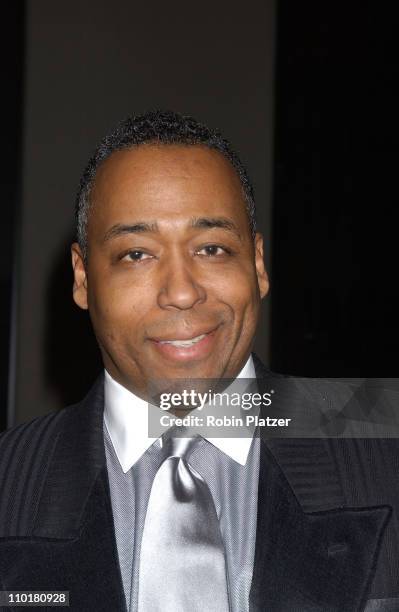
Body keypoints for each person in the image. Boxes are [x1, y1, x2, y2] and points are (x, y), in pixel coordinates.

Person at [0, 110, 398, 612]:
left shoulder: (386, 442)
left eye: (211, 248)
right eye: (136, 254)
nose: (182, 293)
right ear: (81, 278)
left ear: (256, 265)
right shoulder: (8, 481)